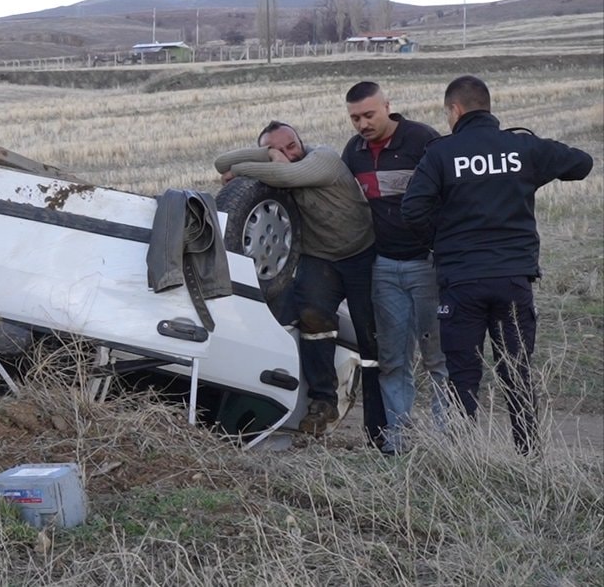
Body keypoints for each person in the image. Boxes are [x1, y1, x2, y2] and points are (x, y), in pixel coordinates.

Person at [401, 75, 593, 455]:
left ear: (454, 110)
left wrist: (441, 240)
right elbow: (582, 164)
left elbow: (412, 211)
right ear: (487, 107)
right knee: (517, 374)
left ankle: (464, 459)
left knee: (463, 377)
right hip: (512, 280)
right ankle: (529, 457)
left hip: (462, 282)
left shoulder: (441, 154)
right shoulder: (521, 147)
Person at [215, 121, 386, 443]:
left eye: (291, 145)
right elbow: (220, 164)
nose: (288, 154)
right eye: (278, 149)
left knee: (371, 339)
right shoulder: (276, 160)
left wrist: (251, 168)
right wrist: (265, 156)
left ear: (302, 141)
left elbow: (287, 175)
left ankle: (381, 425)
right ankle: (323, 402)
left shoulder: (324, 159)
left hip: (361, 254)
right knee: (313, 320)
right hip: (318, 257)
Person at [341, 81, 449, 455]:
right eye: (355, 118)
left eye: (369, 114)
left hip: (428, 265)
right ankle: (397, 442)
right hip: (384, 268)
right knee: (392, 360)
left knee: (438, 356)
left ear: (388, 106)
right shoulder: (353, 152)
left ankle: (446, 443)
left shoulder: (424, 140)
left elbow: (454, 192)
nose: (362, 124)